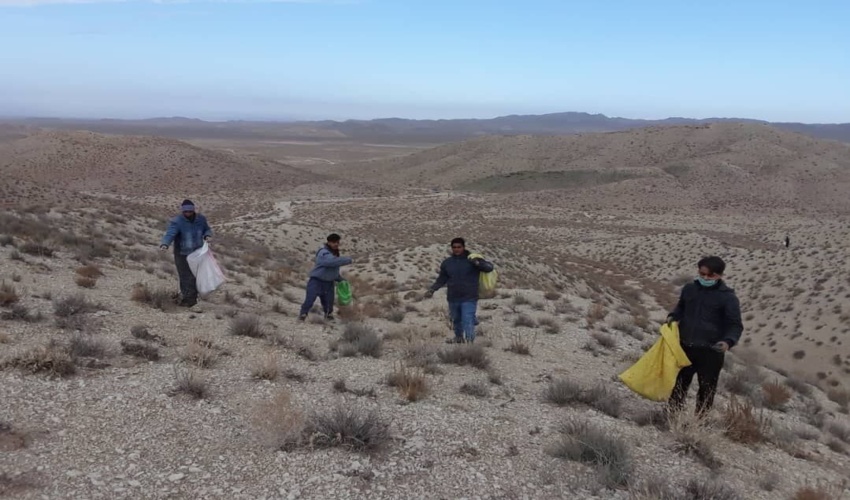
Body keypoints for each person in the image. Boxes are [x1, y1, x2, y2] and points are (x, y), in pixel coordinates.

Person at [667, 256, 743, 415]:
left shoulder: (728, 298)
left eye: (711, 275)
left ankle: (700, 422)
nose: (706, 278)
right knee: (679, 385)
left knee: (706, 390)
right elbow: (680, 308)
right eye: (702, 274)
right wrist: (673, 317)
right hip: (685, 348)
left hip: (711, 352)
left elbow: (735, 325)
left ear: (720, 275)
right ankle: (672, 416)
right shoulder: (689, 289)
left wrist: (728, 342)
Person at [425, 238, 494, 344]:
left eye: (459, 247)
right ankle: (459, 337)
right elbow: (442, 279)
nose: (456, 249)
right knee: (456, 319)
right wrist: (432, 289)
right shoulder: (447, 263)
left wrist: (477, 263)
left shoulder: (472, 259)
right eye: (454, 247)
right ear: (451, 248)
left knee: (467, 320)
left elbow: (489, 268)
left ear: (463, 247)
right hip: (453, 297)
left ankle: (469, 343)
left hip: (469, 297)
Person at [159, 199, 212, 307]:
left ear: (193, 210)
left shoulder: (201, 219)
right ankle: (188, 300)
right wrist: (165, 244)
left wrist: (207, 235)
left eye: (190, 211)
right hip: (182, 253)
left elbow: (206, 229)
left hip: (198, 252)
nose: (188, 213)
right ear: (182, 211)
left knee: (196, 276)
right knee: (185, 276)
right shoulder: (177, 221)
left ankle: (193, 297)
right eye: (185, 211)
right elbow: (170, 234)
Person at [299, 234, 352, 321]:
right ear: (329, 242)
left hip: (329, 283)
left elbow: (333, 270)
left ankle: (328, 316)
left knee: (328, 302)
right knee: (310, 299)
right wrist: (347, 260)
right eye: (334, 242)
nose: (336, 244)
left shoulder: (334, 253)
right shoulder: (323, 252)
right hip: (316, 281)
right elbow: (330, 262)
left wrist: (340, 279)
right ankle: (303, 314)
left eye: (337, 242)